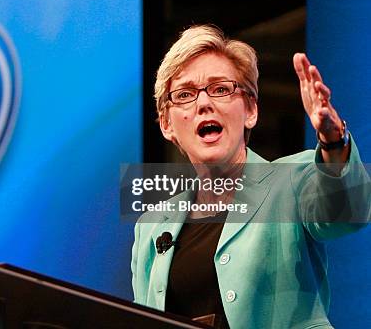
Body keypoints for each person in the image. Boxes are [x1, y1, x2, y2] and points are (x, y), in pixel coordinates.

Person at [130, 25, 370, 329]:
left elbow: (345, 214)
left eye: (220, 89)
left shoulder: (292, 180)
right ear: (167, 124)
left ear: (250, 111)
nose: (204, 103)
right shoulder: (150, 227)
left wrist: (333, 142)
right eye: (186, 94)